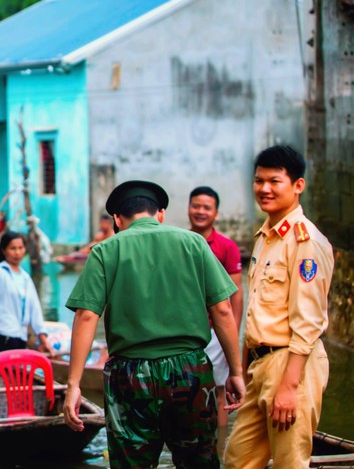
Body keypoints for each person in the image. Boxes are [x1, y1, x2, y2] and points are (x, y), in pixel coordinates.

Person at [63, 180, 246, 468]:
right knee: (198, 461)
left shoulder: (104, 251)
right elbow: (223, 310)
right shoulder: (194, 243)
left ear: (117, 219)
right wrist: (236, 371)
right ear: (160, 214)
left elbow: (86, 316)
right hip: (190, 370)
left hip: (130, 375)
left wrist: (74, 385)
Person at [224, 145, 334, 468]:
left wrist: (289, 386)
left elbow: (309, 321)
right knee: (238, 460)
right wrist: (242, 372)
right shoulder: (265, 237)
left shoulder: (305, 241)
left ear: (298, 185)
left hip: (292, 364)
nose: (264, 189)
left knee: (289, 462)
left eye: (275, 181)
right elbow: (256, 312)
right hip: (261, 366)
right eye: (259, 181)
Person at [187, 185, 244, 453]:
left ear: (216, 213)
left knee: (219, 392)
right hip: (186, 331)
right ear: (188, 208)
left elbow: (236, 294)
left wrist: (232, 332)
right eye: (196, 206)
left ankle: (218, 449)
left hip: (215, 331)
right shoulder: (181, 242)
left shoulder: (227, 247)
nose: (200, 211)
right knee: (185, 393)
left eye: (206, 207)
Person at [0, 230, 54, 356]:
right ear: (3, 250)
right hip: (2, 336)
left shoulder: (25, 278)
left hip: (21, 337)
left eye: (20, 248)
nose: (17, 253)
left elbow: (35, 310)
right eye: (13, 248)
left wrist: (43, 339)